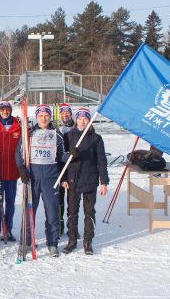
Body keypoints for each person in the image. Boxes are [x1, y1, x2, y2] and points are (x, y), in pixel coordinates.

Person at [16, 105, 65, 257]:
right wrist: (21, 169)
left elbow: (61, 156)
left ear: (50, 117)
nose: (44, 118)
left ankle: (52, 243)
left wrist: (71, 155)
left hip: (50, 178)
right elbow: (18, 152)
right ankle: (27, 241)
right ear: (36, 117)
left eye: (46, 116)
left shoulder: (57, 134)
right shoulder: (29, 134)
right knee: (29, 211)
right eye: (41, 116)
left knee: (52, 212)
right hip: (33, 178)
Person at [61, 107, 109, 255]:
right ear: (76, 119)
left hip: (90, 180)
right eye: (80, 118)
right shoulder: (68, 136)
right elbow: (63, 160)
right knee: (72, 212)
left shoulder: (96, 138)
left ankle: (88, 241)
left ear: (89, 120)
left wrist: (103, 182)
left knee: (89, 212)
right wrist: (63, 178)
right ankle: (72, 240)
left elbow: (101, 161)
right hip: (72, 179)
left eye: (85, 118)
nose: (82, 121)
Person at [0, 100, 21, 242]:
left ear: (10, 110)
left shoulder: (17, 125)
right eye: (2, 109)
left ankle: (8, 228)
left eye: (7, 109)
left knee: (10, 202)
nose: (5, 112)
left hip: (12, 172)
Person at [56, 103, 75, 237]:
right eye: (62, 113)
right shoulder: (56, 129)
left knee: (73, 200)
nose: (65, 115)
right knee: (59, 199)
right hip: (60, 168)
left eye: (67, 112)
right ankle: (59, 226)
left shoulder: (78, 127)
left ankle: (72, 227)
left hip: (74, 168)